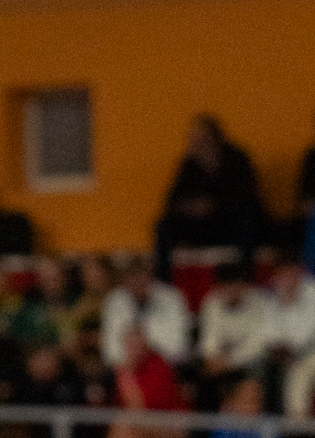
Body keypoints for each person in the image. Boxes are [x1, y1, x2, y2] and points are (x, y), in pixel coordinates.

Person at [153, 115, 264, 270]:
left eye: (203, 138)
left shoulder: (236, 159)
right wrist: (192, 207)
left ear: (215, 137)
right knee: (163, 226)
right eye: (195, 139)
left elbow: (247, 195)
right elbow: (172, 201)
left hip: (229, 223)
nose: (198, 143)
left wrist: (215, 206)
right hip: (201, 226)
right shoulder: (189, 165)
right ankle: (162, 277)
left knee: (247, 221)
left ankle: (244, 273)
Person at [259, 253, 315, 406]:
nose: (287, 279)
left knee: (298, 373)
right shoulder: (273, 293)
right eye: (282, 274)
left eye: (292, 273)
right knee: (263, 364)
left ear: (300, 271)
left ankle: (296, 421)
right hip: (292, 354)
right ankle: (272, 417)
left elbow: (304, 337)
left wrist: (282, 348)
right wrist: (279, 349)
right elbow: (267, 333)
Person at [195, 256, 272, 404]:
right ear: (219, 287)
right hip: (219, 361)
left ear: (245, 286)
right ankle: (208, 418)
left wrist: (232, 361)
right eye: (227, 286)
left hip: (249, 360)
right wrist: (212, 358)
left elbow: (258, 343)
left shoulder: (260, 303)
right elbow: (209, 337)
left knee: (259, 367)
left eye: (236, 286)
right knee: (203, 374)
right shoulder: (211, 303)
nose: (232, 291)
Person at [100, 255, 191, 371]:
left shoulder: (173, 298)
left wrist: (145, 350)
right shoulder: (114, 300)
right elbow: (109, 351)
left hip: (166, 367)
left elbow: (178, 347)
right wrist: (130, 361)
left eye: (141, 274)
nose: (137, 280)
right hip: (125, 369)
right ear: (125, 278)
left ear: (150, 275)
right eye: (132, 275)